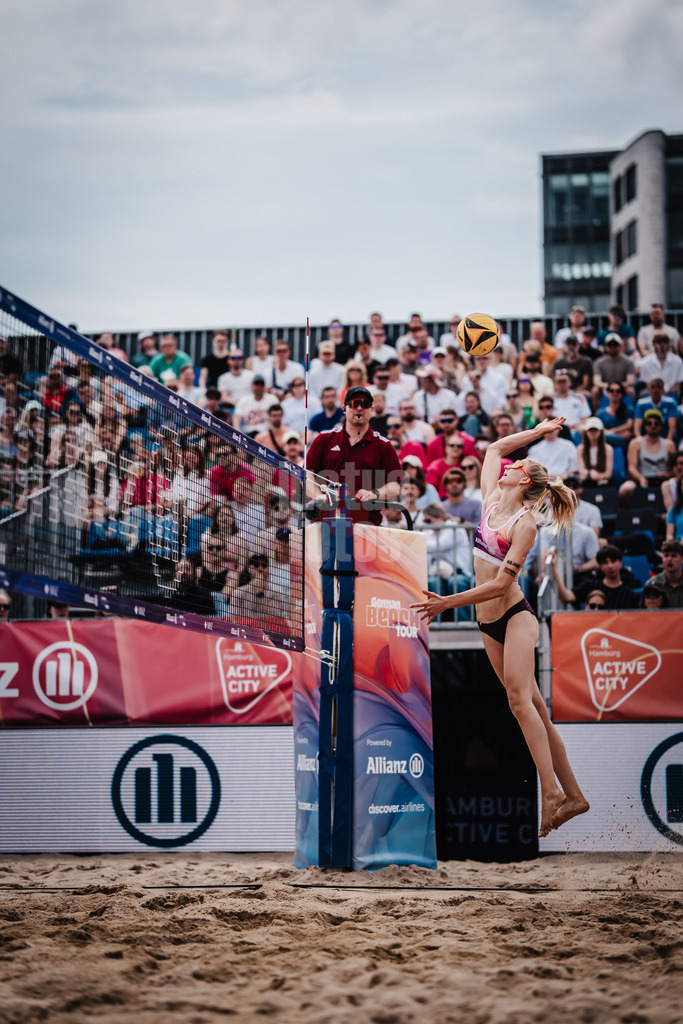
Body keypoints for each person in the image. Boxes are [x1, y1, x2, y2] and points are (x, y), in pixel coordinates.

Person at [412, 417, 589, 837]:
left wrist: (448, 602)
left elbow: (501, 585)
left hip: (515, 616)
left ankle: (550, 793)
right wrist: (540, 430)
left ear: (522, 478)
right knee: (537, 713)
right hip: (485, 622)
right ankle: (575, 796)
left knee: (517, 700)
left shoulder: (525, 523)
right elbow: (494, 448)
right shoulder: (492, 497)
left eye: (519, 463)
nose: (510, 464)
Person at [306, 386, 401, 525]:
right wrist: (319, 497)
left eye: (365, 404)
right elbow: (307, 474)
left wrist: (375, 494)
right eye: (354, 404)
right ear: (344, 408)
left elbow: (395, 486)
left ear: (372, 410)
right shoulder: (324, 439)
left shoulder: (384, 445)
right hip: (324, 522)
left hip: (366, 525)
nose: (359, 408)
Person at [553, 544, 640, 610]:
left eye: (613, 561)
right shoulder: (590, 586)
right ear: (600, 566)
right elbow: (565, 596)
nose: (610, 566)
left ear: (620, 563)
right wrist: (553, 567)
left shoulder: (631, 596)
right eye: (605, 562)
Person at [621, 409, 674, 499]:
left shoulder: (669, 445)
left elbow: (675, 468)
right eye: (649, 423)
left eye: (656, 423)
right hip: (642, 478)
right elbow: (631, 467)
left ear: (661, 426)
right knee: (626, 489)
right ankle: (627, 513)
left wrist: (668, 475)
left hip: (664, 481)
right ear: (645, 426)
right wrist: (640, 478)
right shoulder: (636, 443)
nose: (653, 426)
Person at [577, 418, 614, 486]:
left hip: (603, 481)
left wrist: (599, 476)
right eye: (590, 430)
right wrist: (590, 473)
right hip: (587, 480)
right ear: (586, 432)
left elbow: (608, 474)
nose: (593, 432)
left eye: (595, 430)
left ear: (600, 432)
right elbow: (581, 470)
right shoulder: (580, 448)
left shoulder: (608, 449)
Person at [650, 539, 683, 607]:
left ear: (682, 558)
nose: (669, 559)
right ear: (662, 559)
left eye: (673, 555)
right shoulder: (652, 584)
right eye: (666, 555)